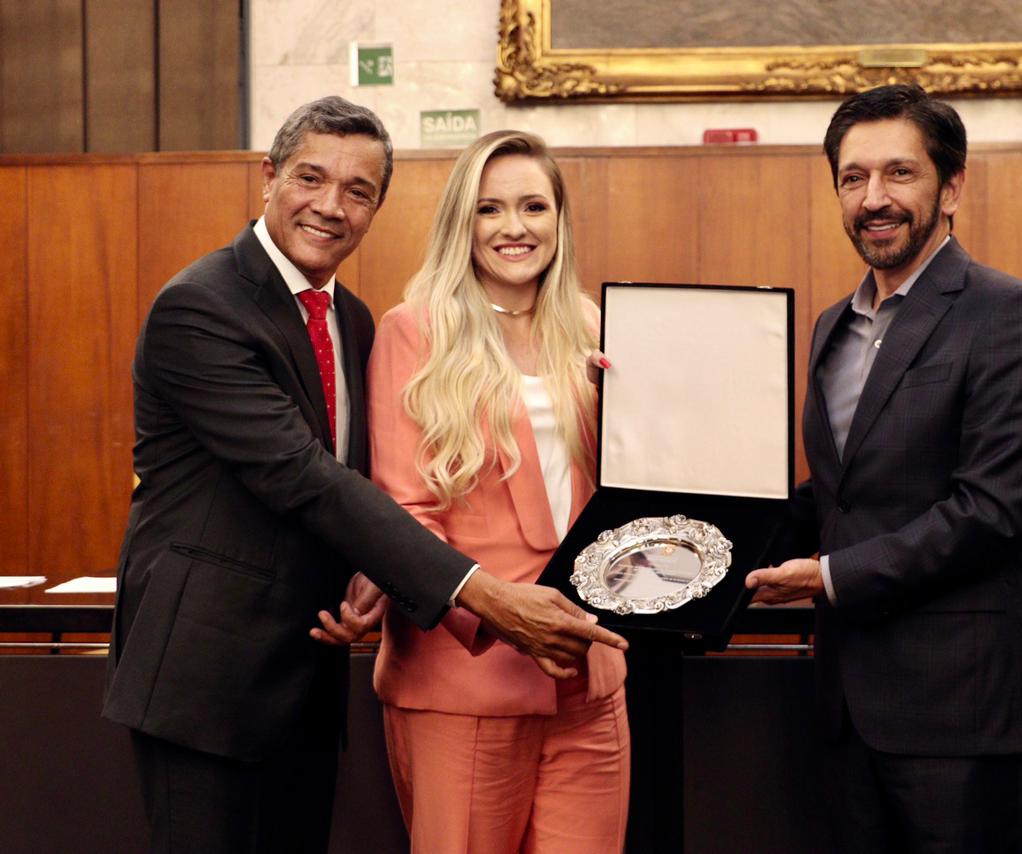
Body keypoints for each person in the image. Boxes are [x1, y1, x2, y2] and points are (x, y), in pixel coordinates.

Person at [103, 98, 626, 854]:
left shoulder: (346, 317)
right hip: (207, 680)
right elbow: (304, 477)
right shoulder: (200, 305)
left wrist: (377, 571)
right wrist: (478, 595)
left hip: (307, 671)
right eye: (311, 178)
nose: (331, 205)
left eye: (358, 191)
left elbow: (365, 477)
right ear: (268, 177)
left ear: (378, 206)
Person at [746, 84, 1022, 854]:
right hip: (846, 704)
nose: (873, 198)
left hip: (962, 709)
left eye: (899, 173)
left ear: (951, 186)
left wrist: (826, 576)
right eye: (853, 178)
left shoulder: (1009, 314)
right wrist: (713, 530)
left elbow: (991, 512)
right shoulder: (832, 325)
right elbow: (841, 492)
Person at [367, 130, 629, 853]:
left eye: (534, 207)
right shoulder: (415, 332)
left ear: (560, 220)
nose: (515, 227)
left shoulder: (594, 328)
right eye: (490, 209)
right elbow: (403, 512)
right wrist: (497, 612)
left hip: (590, 676)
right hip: (464, 681)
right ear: (463, 222)